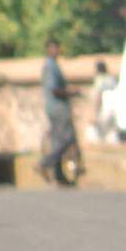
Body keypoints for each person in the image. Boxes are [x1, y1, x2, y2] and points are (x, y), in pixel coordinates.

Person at [39, 38, 78, 187]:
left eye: (57, 48)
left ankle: (59, 175)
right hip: (57, 108)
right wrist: (70, 93)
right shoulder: (50, 66)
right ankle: (45, 163)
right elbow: (55, 90)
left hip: (58, 108)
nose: (55, 51)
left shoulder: (54, 65)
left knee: (58, 141)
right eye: (52, 48)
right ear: (48, 50)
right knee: (66, 139)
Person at [89, 59, 118, 144]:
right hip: (113, 109)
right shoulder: (111, 78)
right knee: (112, 133)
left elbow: (98, 96)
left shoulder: (99, 79)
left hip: (103, 109)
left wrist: (95, 112)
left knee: (98, 134)